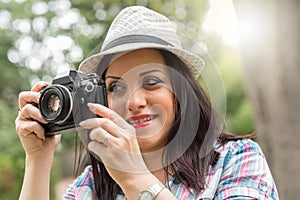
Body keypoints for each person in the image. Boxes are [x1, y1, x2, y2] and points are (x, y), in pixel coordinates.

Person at [15, 6, 279, 200]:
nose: (134, 102)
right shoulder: (94, 185)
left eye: (151, 81)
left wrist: (134, 178)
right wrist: (38, 159)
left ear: (180, 91)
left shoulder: (235, 159)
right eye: (116, 86)